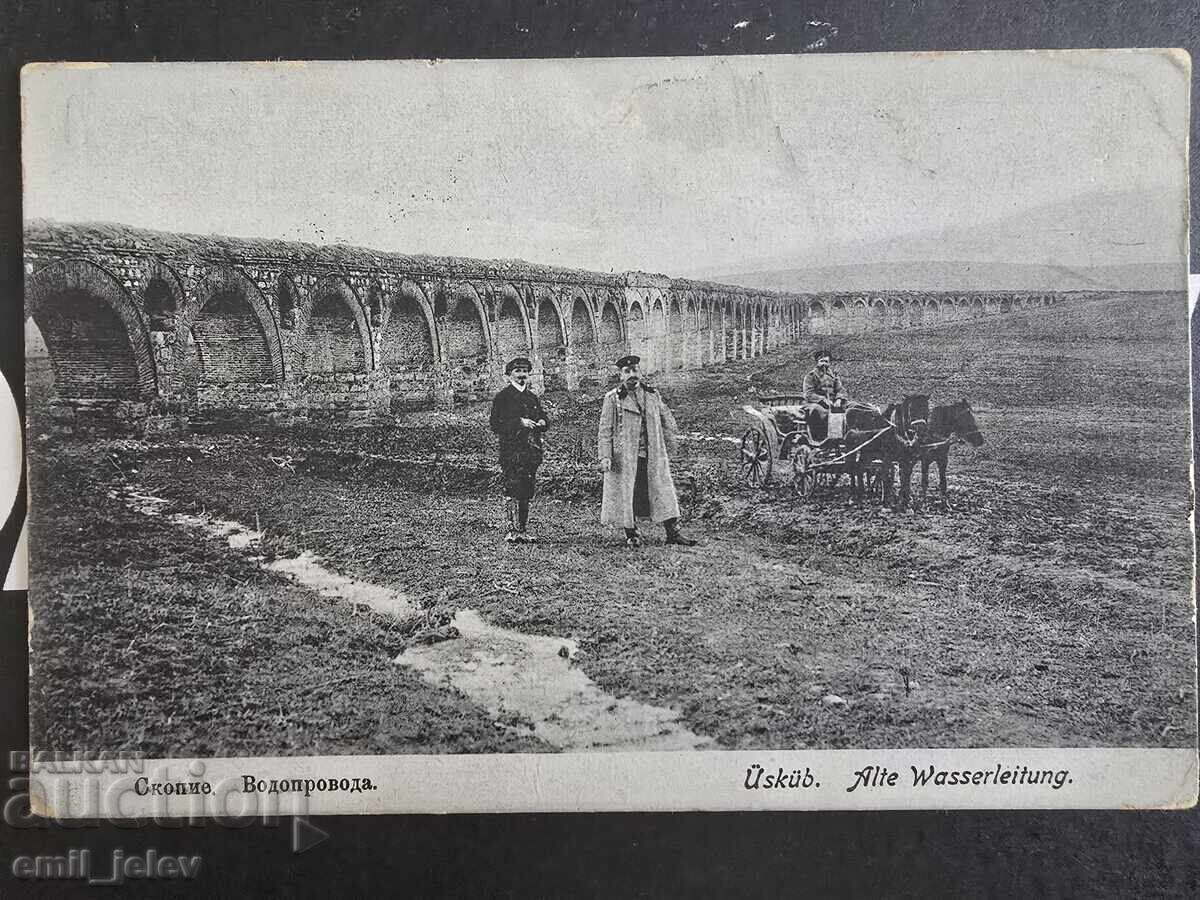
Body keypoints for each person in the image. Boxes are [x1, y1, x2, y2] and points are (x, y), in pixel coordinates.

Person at [597, 355, 697, 547]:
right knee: (629, 494)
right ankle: (631, 533)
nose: (632, 375)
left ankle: (672, 532)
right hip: (625, 457)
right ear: (621, 375)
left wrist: (668, 446)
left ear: (640, 372)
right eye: (627, 372)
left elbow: (666, 421)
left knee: (663, 491)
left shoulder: (652, 394)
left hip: (652, 454)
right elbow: (605, 431)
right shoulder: (613, 399)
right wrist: (605, 456)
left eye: (635, 370)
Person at [489, 357, 548, 543]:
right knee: (512, 488)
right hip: (511, 452)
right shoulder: (503, 397)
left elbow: (543, 417)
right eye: (517, 371)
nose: (522, 375)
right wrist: (519, 422)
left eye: (525, 371)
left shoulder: (532, 397)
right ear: (509, 375)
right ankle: (511, 530)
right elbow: (495, 424)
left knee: (526, 489)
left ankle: (523, 529)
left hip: (531, 451)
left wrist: (542, 422)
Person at [802, 349, 849, 440]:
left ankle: (844, 436)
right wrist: (823, 400)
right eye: (821, 361)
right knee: (819, 412)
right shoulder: (811, 376)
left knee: (851, 408)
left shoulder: (834, 376)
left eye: (826, 361)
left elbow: (840, 389)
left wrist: (839, 399)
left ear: (829, 363)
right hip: (815, 403)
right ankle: (822, 438)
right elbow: (808, 394)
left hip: (833, 403)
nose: (824, 364)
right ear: (817, 362)